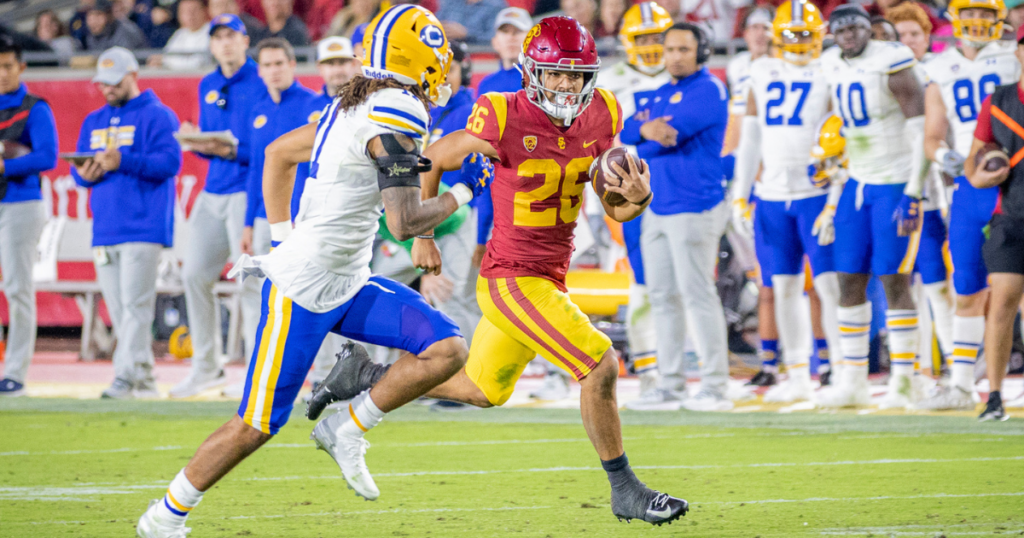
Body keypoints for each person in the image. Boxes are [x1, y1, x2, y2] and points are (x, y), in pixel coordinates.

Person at [137, 6, 486, 536]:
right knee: (255, 425)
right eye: (436, 56)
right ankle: (165, 515)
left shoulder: (356, 102)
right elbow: (404, 218)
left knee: (447, 349)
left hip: (347, 278)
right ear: (414, 60)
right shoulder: (393, 109)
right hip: (305, 288)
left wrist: (283, 237)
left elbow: (278, 154)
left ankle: (348, 424)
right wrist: (466, 190)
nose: (444, 66)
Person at [397, 15, 687, 525]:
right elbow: (435, 156)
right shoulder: (501, 113)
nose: (566, 84)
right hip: (510, 276)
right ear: (532, 72)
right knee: (600, 364)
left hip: (550, 275)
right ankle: (626, 489)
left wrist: (639, 199)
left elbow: (615, 210)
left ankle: (368, 376)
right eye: (556, 73)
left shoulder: (604, 112)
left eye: (576, 74)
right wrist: (423, 233)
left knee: (480, 390)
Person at [815, 4, 929, 409]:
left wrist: (915, 190)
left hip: (895, 182)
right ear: (833, 33)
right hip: (856, 182)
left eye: (856, 26)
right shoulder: (829, 62)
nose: (849, 33)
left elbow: (921, 129)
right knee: (847, 278)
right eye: (841, 27)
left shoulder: (892, 60)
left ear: (870, 30)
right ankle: (853, 380)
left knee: (894, 279)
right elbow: (829, 121)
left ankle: (903, 380)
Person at [730, 0, 841, 403]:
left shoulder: (831, 67)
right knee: (784, 286)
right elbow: (751, 137)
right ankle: (797, 374)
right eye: (790, 34)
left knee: (829, 285)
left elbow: (838, 131)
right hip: (773, 195)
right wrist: (741, 193)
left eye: (803, 33)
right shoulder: (760, 69)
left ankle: (840, 370)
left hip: (817, 191)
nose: (797, 42)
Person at [621, 22, 732, 411]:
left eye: (684, 49)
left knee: (697, 294)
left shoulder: (708, 88)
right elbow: (628, 128)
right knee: (662, 296)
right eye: (670, 49)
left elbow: (668, 136)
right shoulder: (664, 91)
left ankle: (716, 386)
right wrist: (643, 129)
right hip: (656, 204)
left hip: (695, 204)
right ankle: (671, 384)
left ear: (702, 52)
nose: (675, 56)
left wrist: (644, 130)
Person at [70, 48, 182, 400]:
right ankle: (144, 378)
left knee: (135, 306)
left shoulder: (159, 116)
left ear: (133, 74)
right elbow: (80, 171)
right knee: (120, 309)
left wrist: (123, 160)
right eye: (102, 83)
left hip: (143, 226)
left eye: (113, 81)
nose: (106, 89)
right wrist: (84, 174)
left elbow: (170, 163)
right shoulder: (94, 120)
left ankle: (124, 375)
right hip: (105, 226)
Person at [927, 0, 1020, 416]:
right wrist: (961, 165)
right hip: (971, 183)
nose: (978, 21)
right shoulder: (939, 65)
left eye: (986, 13)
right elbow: (932, 134)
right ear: (956, 18)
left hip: (1013, 182)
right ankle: (962, 383)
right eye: (971, 13)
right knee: (966, 287)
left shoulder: (1012, 55)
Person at [170, 14, 265, 399]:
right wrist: (199, 142)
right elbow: (217, 146)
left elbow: (259, 148)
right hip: (214, 189)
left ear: (245, 41)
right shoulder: (208, 84)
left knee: (251, 283)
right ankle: (206, 367)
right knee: (194, 274)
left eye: (232, 36)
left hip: (246, 190)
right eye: (218, 37)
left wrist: (223, 148)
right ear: (211, 45)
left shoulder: (260, 80)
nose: (225, 43)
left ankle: (257, 372)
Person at [598, 1, 674, 409]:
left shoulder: (682, 75)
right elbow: (601, 136)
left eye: (656, 38)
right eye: (642, 38)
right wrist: (642, 131)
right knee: (644, 286)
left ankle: (673, 369)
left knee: (677, 288)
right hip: (629, 196)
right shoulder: (612, 80)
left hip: (680, 194)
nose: (650, 46)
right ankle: (650, 373)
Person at [882, 1, 956, 386]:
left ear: (928, 37)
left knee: (942, 284)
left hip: (934, 190)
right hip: (897, 188)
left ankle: (953, 368)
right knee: (906, 282)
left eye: (915, 34)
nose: (908, 41)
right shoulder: (884, 73)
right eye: (901, 35)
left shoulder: (937, 73)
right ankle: (918, 371)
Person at [965, 24, 1024, 419]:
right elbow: (972, 167)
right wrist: (985, 175)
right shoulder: (998, 101)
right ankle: (995, 396)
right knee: (1001, 301)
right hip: (1011, 213)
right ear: (1017, 52)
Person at [725, 6, 782, 387]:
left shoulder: (794, 67)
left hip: (788, 182)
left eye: (767, 27)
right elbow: (738, 126)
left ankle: (818, 361)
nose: (760, 34)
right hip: (752, 185)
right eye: (754, 27)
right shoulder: (740, 67)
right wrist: (732, 182)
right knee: (763, 281)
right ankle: (771, 362)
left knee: (801, 284)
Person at [0, 36, 58, 397]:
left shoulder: (35, 107)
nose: (2, 73)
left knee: (18, 288)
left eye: (7, 66)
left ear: (21, 67)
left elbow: (48, 157)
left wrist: (6, 165)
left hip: (21, 205)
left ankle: (16, 371)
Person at [476, 8, 531, 96]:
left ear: (532, 40)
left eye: (517, 31)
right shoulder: (486, 85)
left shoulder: (539, 80)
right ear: (495, 42)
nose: (510, 37)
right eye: (505, 32)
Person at [150, 0, 212, 70]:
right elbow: (167, 55)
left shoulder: (212, 32)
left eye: (194, 10)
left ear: (204, 11)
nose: (190, 15)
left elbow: (197, 62)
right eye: (185, 12)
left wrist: (166, 61)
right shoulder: (180, 33)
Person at [84, 0, 149, 51]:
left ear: (109, 16)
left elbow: (124, 60)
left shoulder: (125, 30)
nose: (93, 21)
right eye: (90, 16)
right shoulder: (89, 34)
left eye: (98, 15)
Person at [436, 0, 509, 44]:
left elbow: (495, 37)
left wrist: (466, 34)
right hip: (448, 53)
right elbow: (435, 23)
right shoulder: (451, 2)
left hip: (480, 60)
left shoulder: (496, 5)